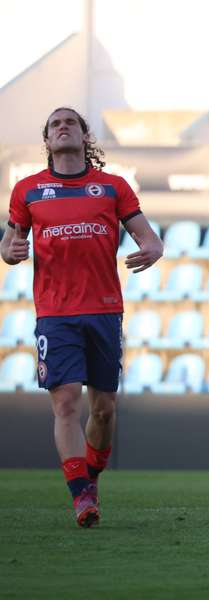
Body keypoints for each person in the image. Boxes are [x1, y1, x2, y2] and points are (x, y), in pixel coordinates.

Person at [0, 107, 163, 528]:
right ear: (47, 140)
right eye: (55, 124)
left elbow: (149, 237)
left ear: (85, 136)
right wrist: (11, 251)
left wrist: (152, 248)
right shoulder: (28, 190)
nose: (63, 127)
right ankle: (82, 496)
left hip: (104, 309)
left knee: (104, 409)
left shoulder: (112, 187)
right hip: (55, 313)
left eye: (70, 122)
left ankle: (90, 473)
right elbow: (9, 245)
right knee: (66, 400)